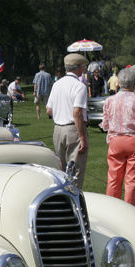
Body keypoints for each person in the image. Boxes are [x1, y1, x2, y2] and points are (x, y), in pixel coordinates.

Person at [100, 68, 135, 206]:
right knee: (132, 179)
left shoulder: (109, 100)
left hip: (116, 141)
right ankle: (129, 208)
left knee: (113, 177)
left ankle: (111, 207)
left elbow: (105, 125)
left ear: (119, 82)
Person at [46, 53, 90, 188]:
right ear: (79, 67)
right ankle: (73, 197)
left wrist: (60, 114)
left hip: (58, 129)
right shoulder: (79, 86)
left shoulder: (57, 84)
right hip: (73, 129)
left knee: (60, 170)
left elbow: (49, 109)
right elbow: (77, 113)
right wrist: (82, 137)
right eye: (83, 66)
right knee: (75, 171)